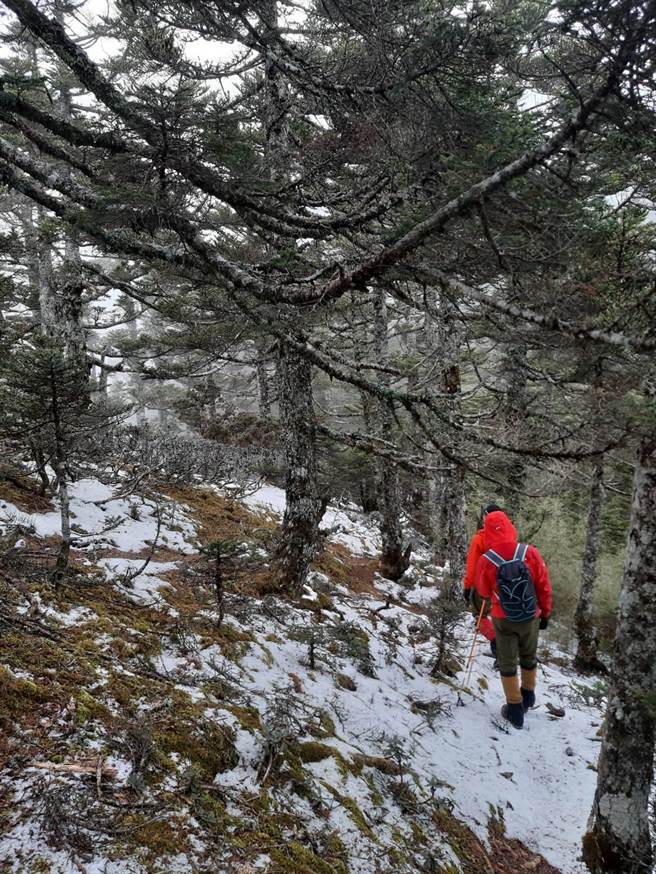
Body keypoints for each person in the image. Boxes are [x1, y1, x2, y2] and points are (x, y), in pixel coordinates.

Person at [474, 509, 552, 730]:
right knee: (529, 655)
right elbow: (543, 586)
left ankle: (515, 709)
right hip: (530, 616)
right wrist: (545, 613)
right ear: (509, 526)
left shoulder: (486, 560)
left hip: (503, 618)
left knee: (508, 662)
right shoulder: (530, 552)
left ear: (486, 531)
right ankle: (528, 695)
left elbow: (484, 591)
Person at [463, 503, 503, 658]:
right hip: (503, 584)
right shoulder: (509, 538)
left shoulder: (480, 539)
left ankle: (499, 647)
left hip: (483, 585)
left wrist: (467, 586)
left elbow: (472, 566)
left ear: (486, 517)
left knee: (480, 617)